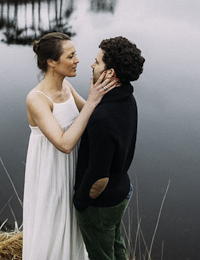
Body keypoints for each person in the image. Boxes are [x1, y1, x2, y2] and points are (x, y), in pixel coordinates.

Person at [23, 32, 118, 260]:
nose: (77, 60)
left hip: (73, 170)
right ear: (52, 62)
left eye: (76, 54)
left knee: (74, 226)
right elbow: (64, 144)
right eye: (71, 56)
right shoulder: (36, 99)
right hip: (51, 174)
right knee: (53, 227)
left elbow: (92, 119)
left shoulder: (66, 87)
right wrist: (93, 99)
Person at [73, 36, 145, 260]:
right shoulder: (126, 98)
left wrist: (81, 202)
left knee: (101, 255)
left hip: (101, 204)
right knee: (115, 246)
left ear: (110, 73)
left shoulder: (102, 119)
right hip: (121, 191)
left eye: (97, 62)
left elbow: (99, 178)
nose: (92, 65)